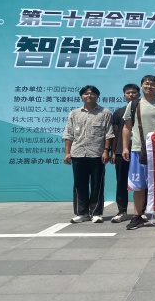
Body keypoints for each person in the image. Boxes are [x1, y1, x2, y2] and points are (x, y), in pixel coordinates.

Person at [122, 75, 155, 230]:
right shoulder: (134, 104)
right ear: (141, 86)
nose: (149, 86)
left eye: (152, 84)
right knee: (138, 185)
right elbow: (127, 127)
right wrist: (125, 147)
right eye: (146, 84)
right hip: (138, 149)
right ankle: (137, 216)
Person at [63, 85, 114, 224]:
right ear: (81, 96)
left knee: (97, 184)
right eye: (85, 93)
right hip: (78, 153)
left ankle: (96, 213)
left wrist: (106, 151)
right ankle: (82, 213)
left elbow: (109, 134)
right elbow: (68, 134)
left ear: (97, 96)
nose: (89, 96)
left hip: (97, 154)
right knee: (79, 185)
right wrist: (67, 152)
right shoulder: (74, 113)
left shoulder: (104, 112)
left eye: (92, 93)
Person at [109, 83, 140, 223]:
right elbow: (115, 134)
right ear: (124, 95)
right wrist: (113, 151)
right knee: (121, 182)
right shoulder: (118, 112)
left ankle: (141, 211)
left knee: (141, 183)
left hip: (140, 151)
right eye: (128, 93)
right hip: (122, 151)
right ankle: (122, 211)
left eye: (134, 92)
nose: (131, 95)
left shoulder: (143, 109)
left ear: (139, 94)